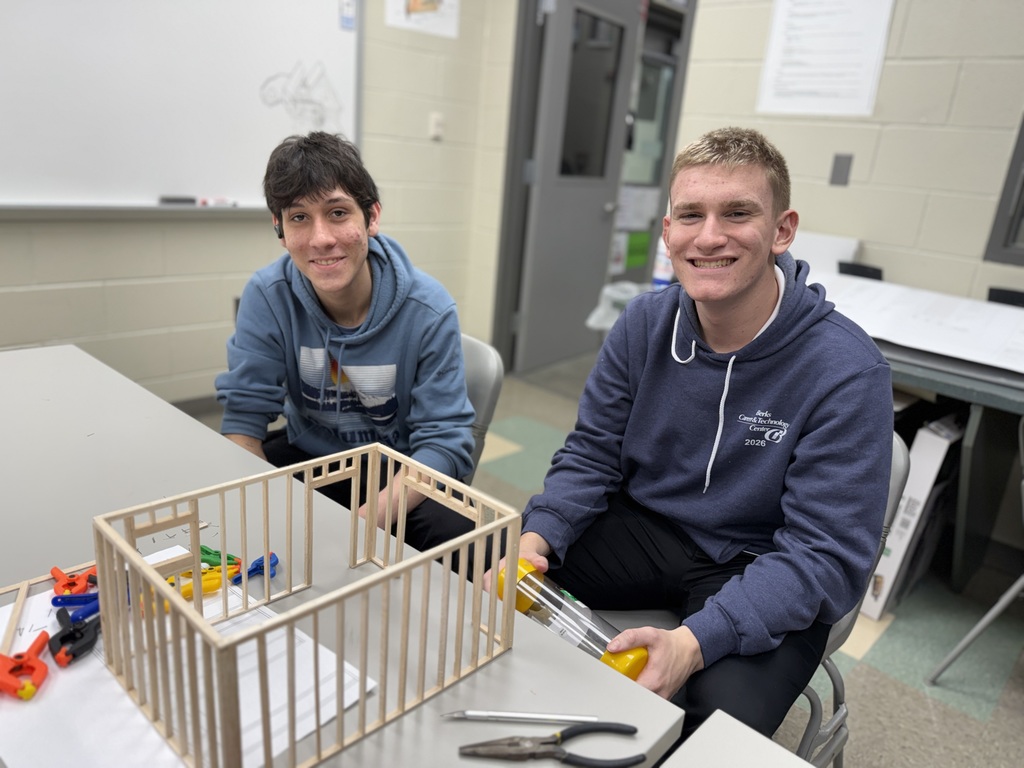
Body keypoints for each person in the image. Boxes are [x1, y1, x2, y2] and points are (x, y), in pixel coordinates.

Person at [494, 127, 893, 740]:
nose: (709, 236)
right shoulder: (644, 324)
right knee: (481, 574)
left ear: (782, 231)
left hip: (763, 559)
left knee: (717, 729)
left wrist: (694, 642)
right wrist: (539, 537)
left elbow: (822, 554)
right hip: (646, 527)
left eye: (737, 213)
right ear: (668, 233)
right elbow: (592, 453)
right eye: (690, 215)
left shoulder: (846, 370)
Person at [216, 131, 479, 563]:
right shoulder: (268, 295)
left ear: (371, 217)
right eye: (299, 217)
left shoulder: (429, 310)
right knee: (231, 516)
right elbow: (243, 423)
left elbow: (445, 442)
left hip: (399, 473)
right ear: (279, 229)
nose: (321, 238)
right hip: (310, 456)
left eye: (337, 213)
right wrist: (265, 512)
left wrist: (356, 523)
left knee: (468, 546)